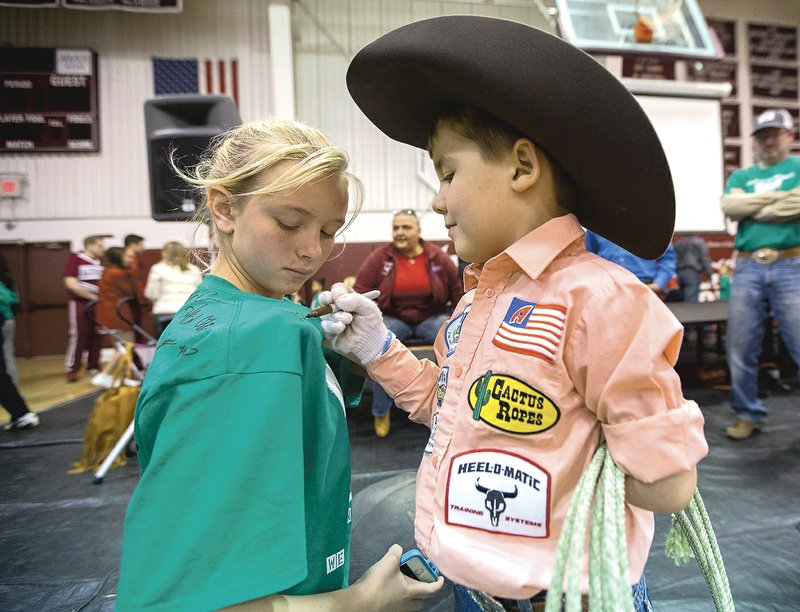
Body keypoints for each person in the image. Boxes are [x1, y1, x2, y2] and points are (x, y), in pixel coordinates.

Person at [322, 16, 708, 610]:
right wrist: (378, 348)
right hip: (475, 588)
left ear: (523, 168)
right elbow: (451, 409)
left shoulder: (602, 301)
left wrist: (574, 457)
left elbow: (668, 483)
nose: (437, 198)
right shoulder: (479, 299)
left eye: (448, 172)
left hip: (570, 594)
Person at [116, 116, 443, 611]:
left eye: (329, 231)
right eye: (289, 224)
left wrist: (336, 354)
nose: (313, 250)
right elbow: (178, 603)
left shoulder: (269, 321)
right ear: (225, 208)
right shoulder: (246, 346)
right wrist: (359, 602)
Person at [720, 108, 800, 440]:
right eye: (762, 135)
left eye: (774, 133)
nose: (768, 140)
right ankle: (747, 413)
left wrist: (753, 205)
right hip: (749, 266)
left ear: (789, 136)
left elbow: (745, 207)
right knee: (739, 345)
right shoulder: (741, 175)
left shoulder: (796, 167)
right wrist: (782, 199)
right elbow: (730, 207)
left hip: (791, 264)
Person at [354, 209, 463, 437]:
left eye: (406, 227)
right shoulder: (379, 258)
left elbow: (457, 292)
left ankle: (453, 405)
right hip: (394, 317)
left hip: (431, 317)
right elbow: (360, 291)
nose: (400, 232)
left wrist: (460, 321)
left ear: (418, 231)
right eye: (396, 228)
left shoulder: (437, 257)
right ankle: (381, 411)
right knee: (378, 348)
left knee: (456, 340)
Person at [585, 229, 678, 299]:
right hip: (609, 290)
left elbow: (668, 257)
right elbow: (588, 260)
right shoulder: (595, 226)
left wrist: (658, 284)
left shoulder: (651, 222)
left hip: (646, 288)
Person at [63, 235, 105, 382]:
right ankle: (72, 368)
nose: (102, 248)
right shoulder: (76, 259)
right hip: (80, 302)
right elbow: (71, 283)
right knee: (78, 335)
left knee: (98, 335)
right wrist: (91, 296)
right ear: (90, 246)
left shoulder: (102, 262)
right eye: (100, 245)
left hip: (99, 304)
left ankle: (93, 366)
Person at [143, 241, 203, 337]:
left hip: (165, 312)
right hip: (189, 311)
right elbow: (199, 293)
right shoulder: (194, 269)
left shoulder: (158, 269)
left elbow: (151, 293)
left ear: (165, 253)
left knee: (165, 344)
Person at [96, 246, 149, 343]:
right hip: (118, 316)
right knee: (126, 349)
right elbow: (134, 291)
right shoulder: (117, 274)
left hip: (113, 315)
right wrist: (134, 268)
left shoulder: (110, 272)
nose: (131, 260)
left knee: (122, 350)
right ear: (118, 258)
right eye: (127, 256)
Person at [674, 234, 714, 302]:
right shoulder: (699, 242)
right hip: (692, 272)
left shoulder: (678, 243)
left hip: (679, 272)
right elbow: (704, 258)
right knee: (691, 303)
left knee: (681, 301)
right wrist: (709, 273)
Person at [0, 255, 21, 385]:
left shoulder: (6, 281)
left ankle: (11, 387)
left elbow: (9, 299)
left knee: (7, 356)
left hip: (5, 320)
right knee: (8, 355)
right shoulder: (9, 280)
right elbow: (15, 300)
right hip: (8, 320)